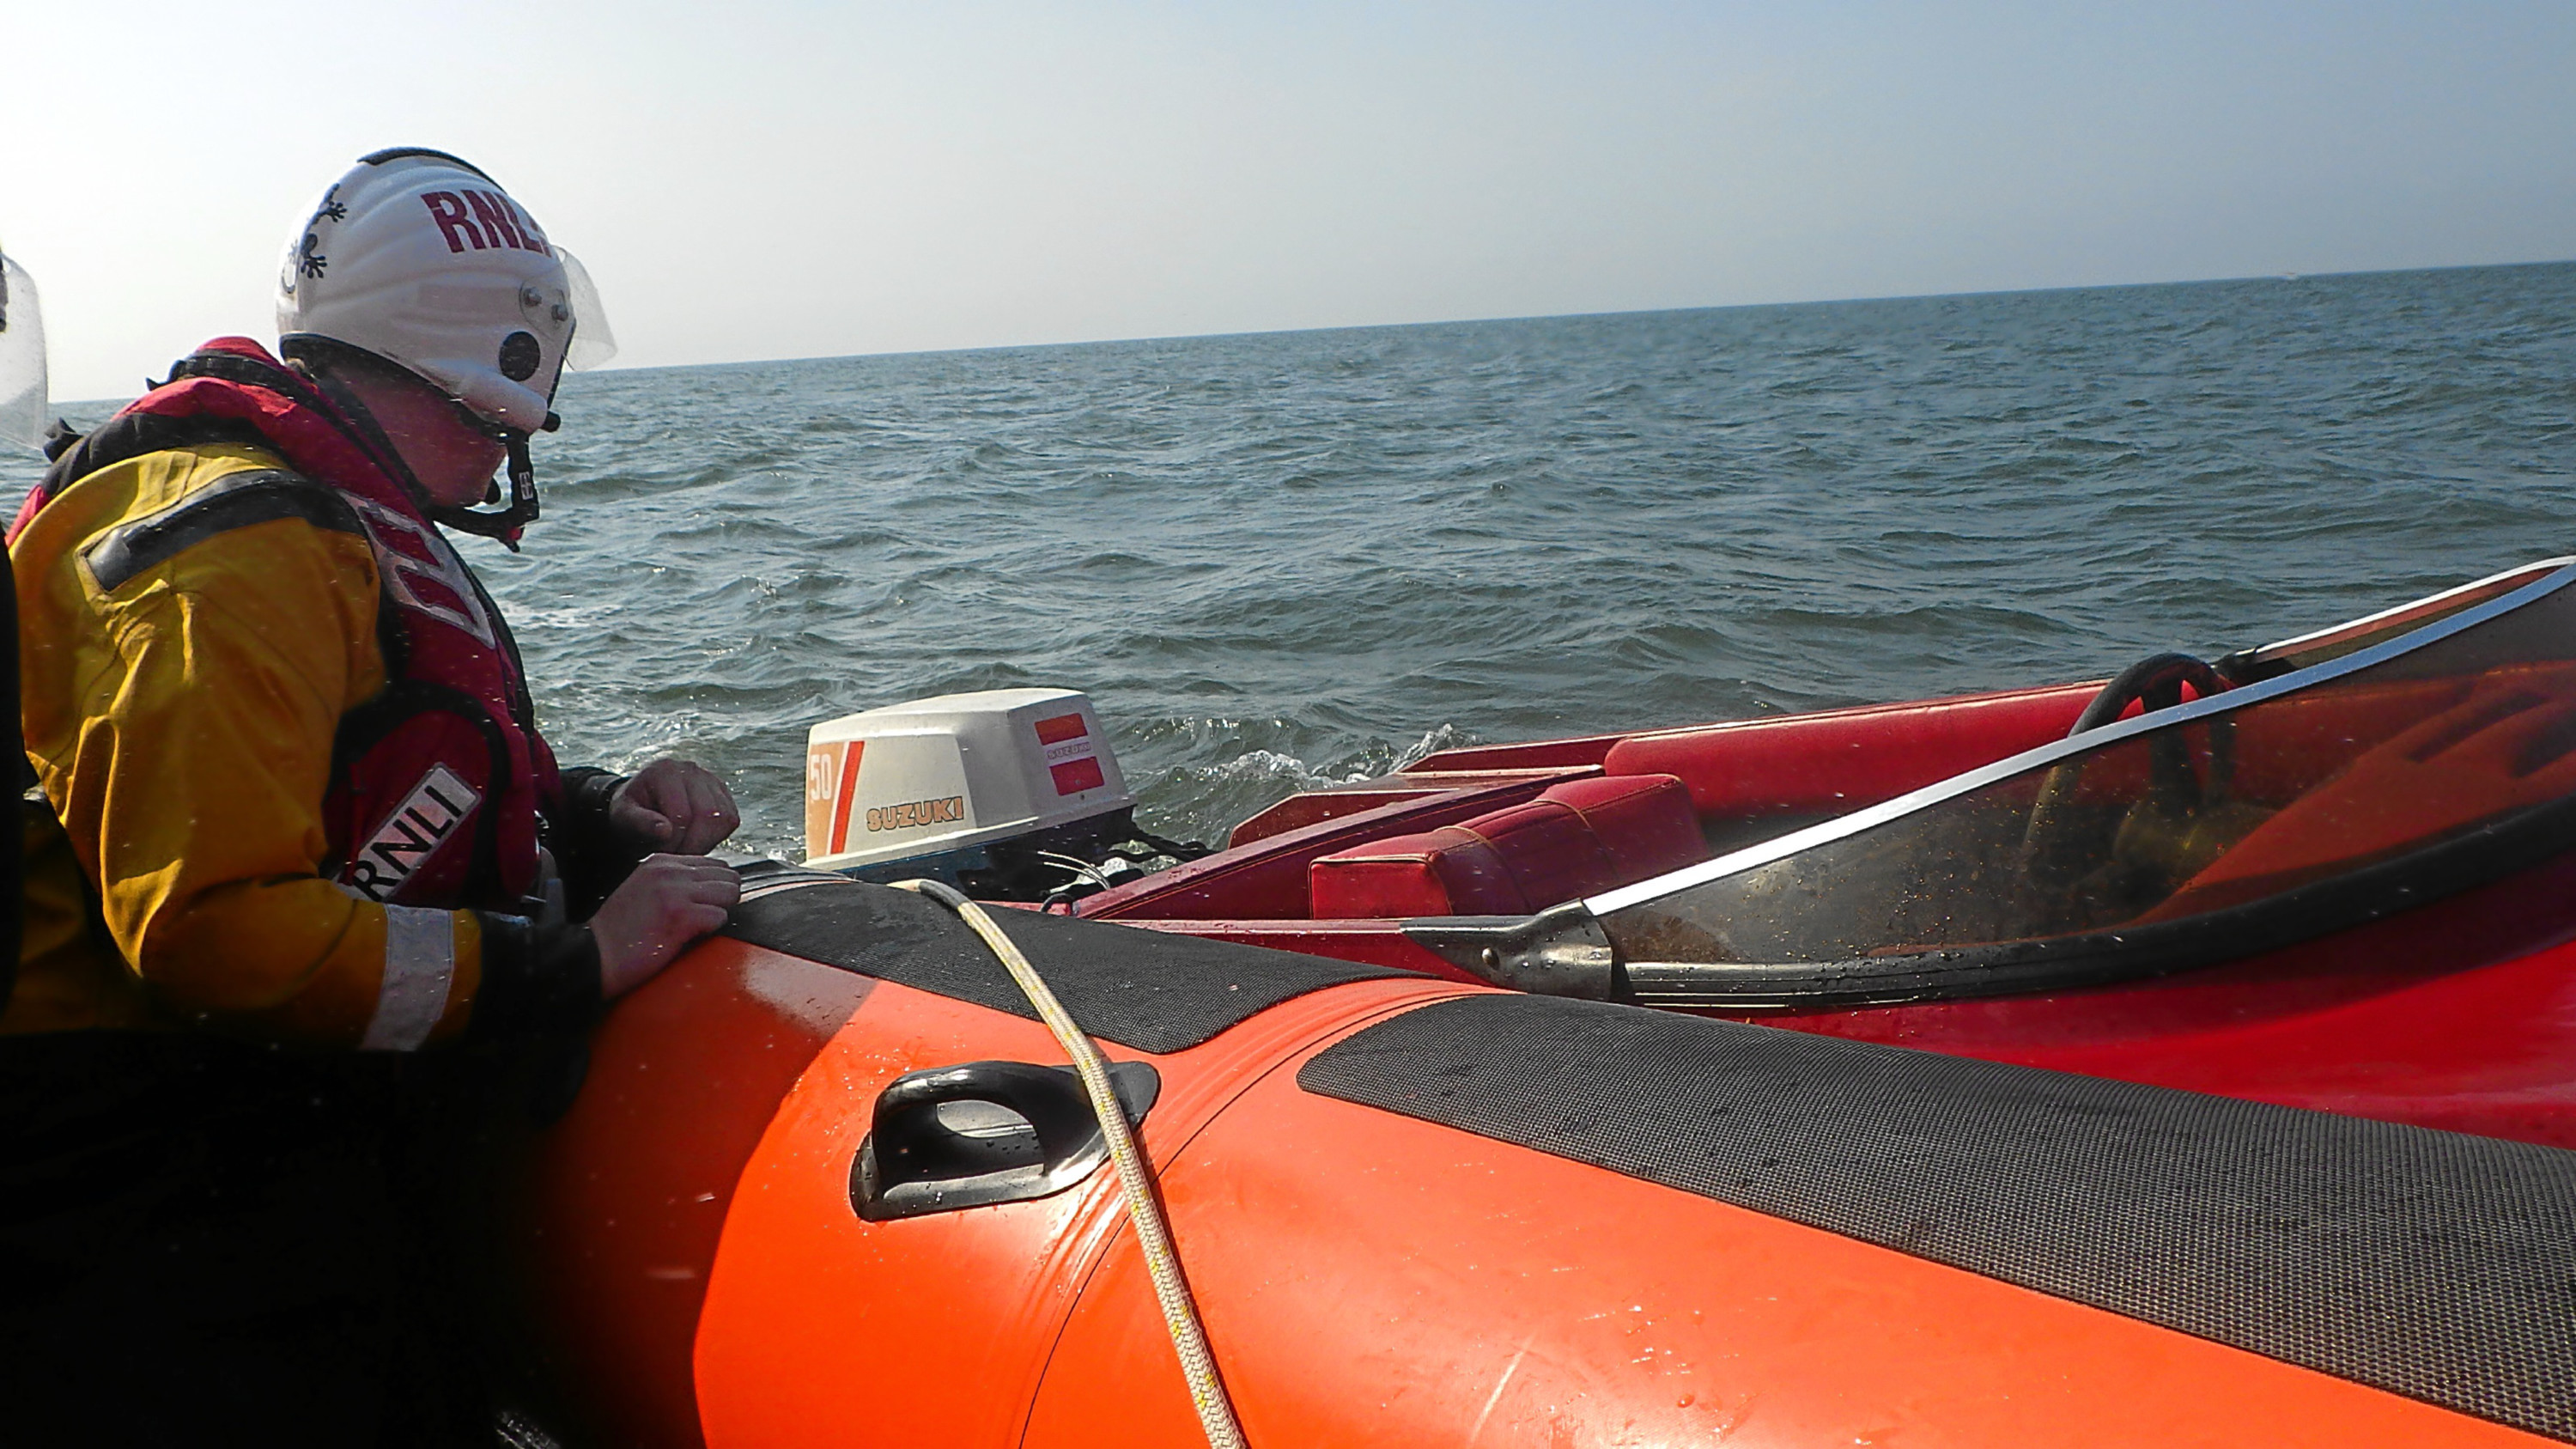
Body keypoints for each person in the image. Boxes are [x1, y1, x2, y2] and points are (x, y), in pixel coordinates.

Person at [0, 149, 740, 1443]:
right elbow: (211, 930)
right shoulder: (234, 551)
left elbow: (350, 781)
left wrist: (593, 811)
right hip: (148, 1175)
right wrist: (569, 971)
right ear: (500, 363)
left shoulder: (298, 519)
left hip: (255, 1121)